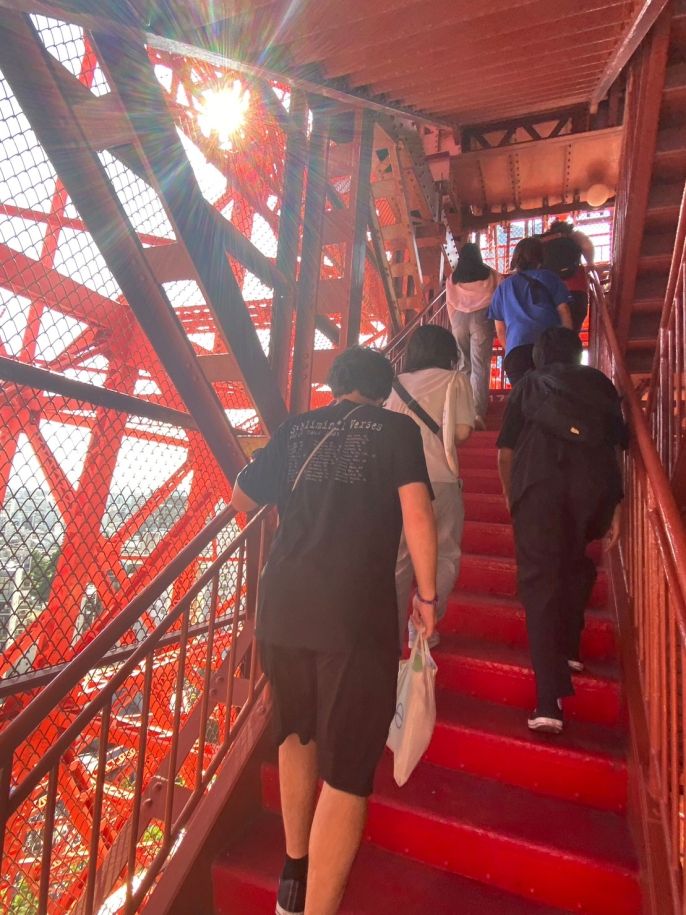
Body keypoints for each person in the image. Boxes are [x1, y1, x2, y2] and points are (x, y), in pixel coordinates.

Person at [230, 346, 438, 915]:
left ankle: (294, 871)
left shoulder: (297, 428)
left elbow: (241, 496)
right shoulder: (396, 431)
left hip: (282, 607)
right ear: (383, 389)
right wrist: (427, 595)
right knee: (347, 768)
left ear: (335, 383)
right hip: (353, 614)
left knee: (297, 732)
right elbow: (419, 513)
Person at [496, 327, 628, 734]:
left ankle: (548, 701)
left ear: (537, 356)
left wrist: (510, 496)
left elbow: (505, 450)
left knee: (540, 585)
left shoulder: (529, 385)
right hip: (594, 488)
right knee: (575, 560)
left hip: (539, 488)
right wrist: (616, 504)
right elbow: (617, 444)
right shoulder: (600, 384)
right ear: (577, 354)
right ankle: (569, 648)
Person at [386, 325, 475, 649]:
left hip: (396, 482)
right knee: (445, 553)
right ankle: (422, 623)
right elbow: (463, 432)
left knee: (398, 562)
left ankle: (391, 635)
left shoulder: (395, 385)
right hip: (439, 478)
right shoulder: (455, 380)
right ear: (448, 351)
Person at [488, 236, 572, 385]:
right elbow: (563, 309)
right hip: (550, 346)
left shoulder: (503, 287)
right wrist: (568, 341)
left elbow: (500, 330)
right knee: (554, 399)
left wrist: (512, 349)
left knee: (525, 401)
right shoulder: (549, 277)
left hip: (517, 351)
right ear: (540, 257)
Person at [445, 242, 500, 428]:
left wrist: (455, 324)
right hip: (482, 318)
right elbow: (499, 294)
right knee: (480, 366)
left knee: (462, 365)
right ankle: (477, 413)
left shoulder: (454, 277)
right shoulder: (490, 274)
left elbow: (450, 302)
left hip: (459, 320)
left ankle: (461, 411)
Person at [540, 219, 595, 332]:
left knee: (552, 330)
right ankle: (571, 345)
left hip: (550, 291)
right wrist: (590, 263)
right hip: (576, 290)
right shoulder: (574, 235)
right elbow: (587, 246)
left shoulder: (544, 240)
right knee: (574, 326)